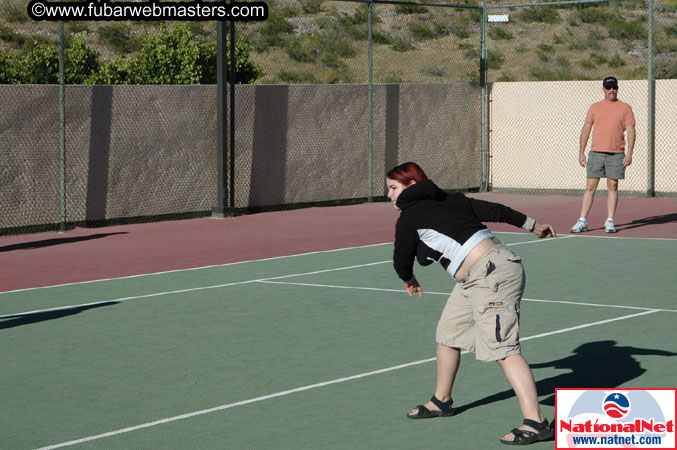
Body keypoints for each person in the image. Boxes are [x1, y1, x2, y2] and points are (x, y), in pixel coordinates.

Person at [386, 162, 557, 445]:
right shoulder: (450, 199)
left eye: (393, 188)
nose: (389, 195)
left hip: (490, 275)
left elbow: (400, 258)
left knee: (504, 350)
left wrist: (408, 278)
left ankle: (537, 423)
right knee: (448, 333)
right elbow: (498, 211)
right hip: (475, 277)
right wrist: (534, 226)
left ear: (411, 186)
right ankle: (441, 401)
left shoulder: (410, 215)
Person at [570, 76, 636, 234]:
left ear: (617, 89)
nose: (612, 90)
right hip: (596, 154)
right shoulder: (595, 107)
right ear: (603, 89)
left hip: (617, 154)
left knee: (613, 186)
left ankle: (610, 221)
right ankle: (582, 221)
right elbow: (586, 129)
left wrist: (630, 154)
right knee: (590, 187)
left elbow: (632, 131)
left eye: (614, 87)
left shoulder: (625, 108)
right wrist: (581, 152)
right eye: (608, 87)